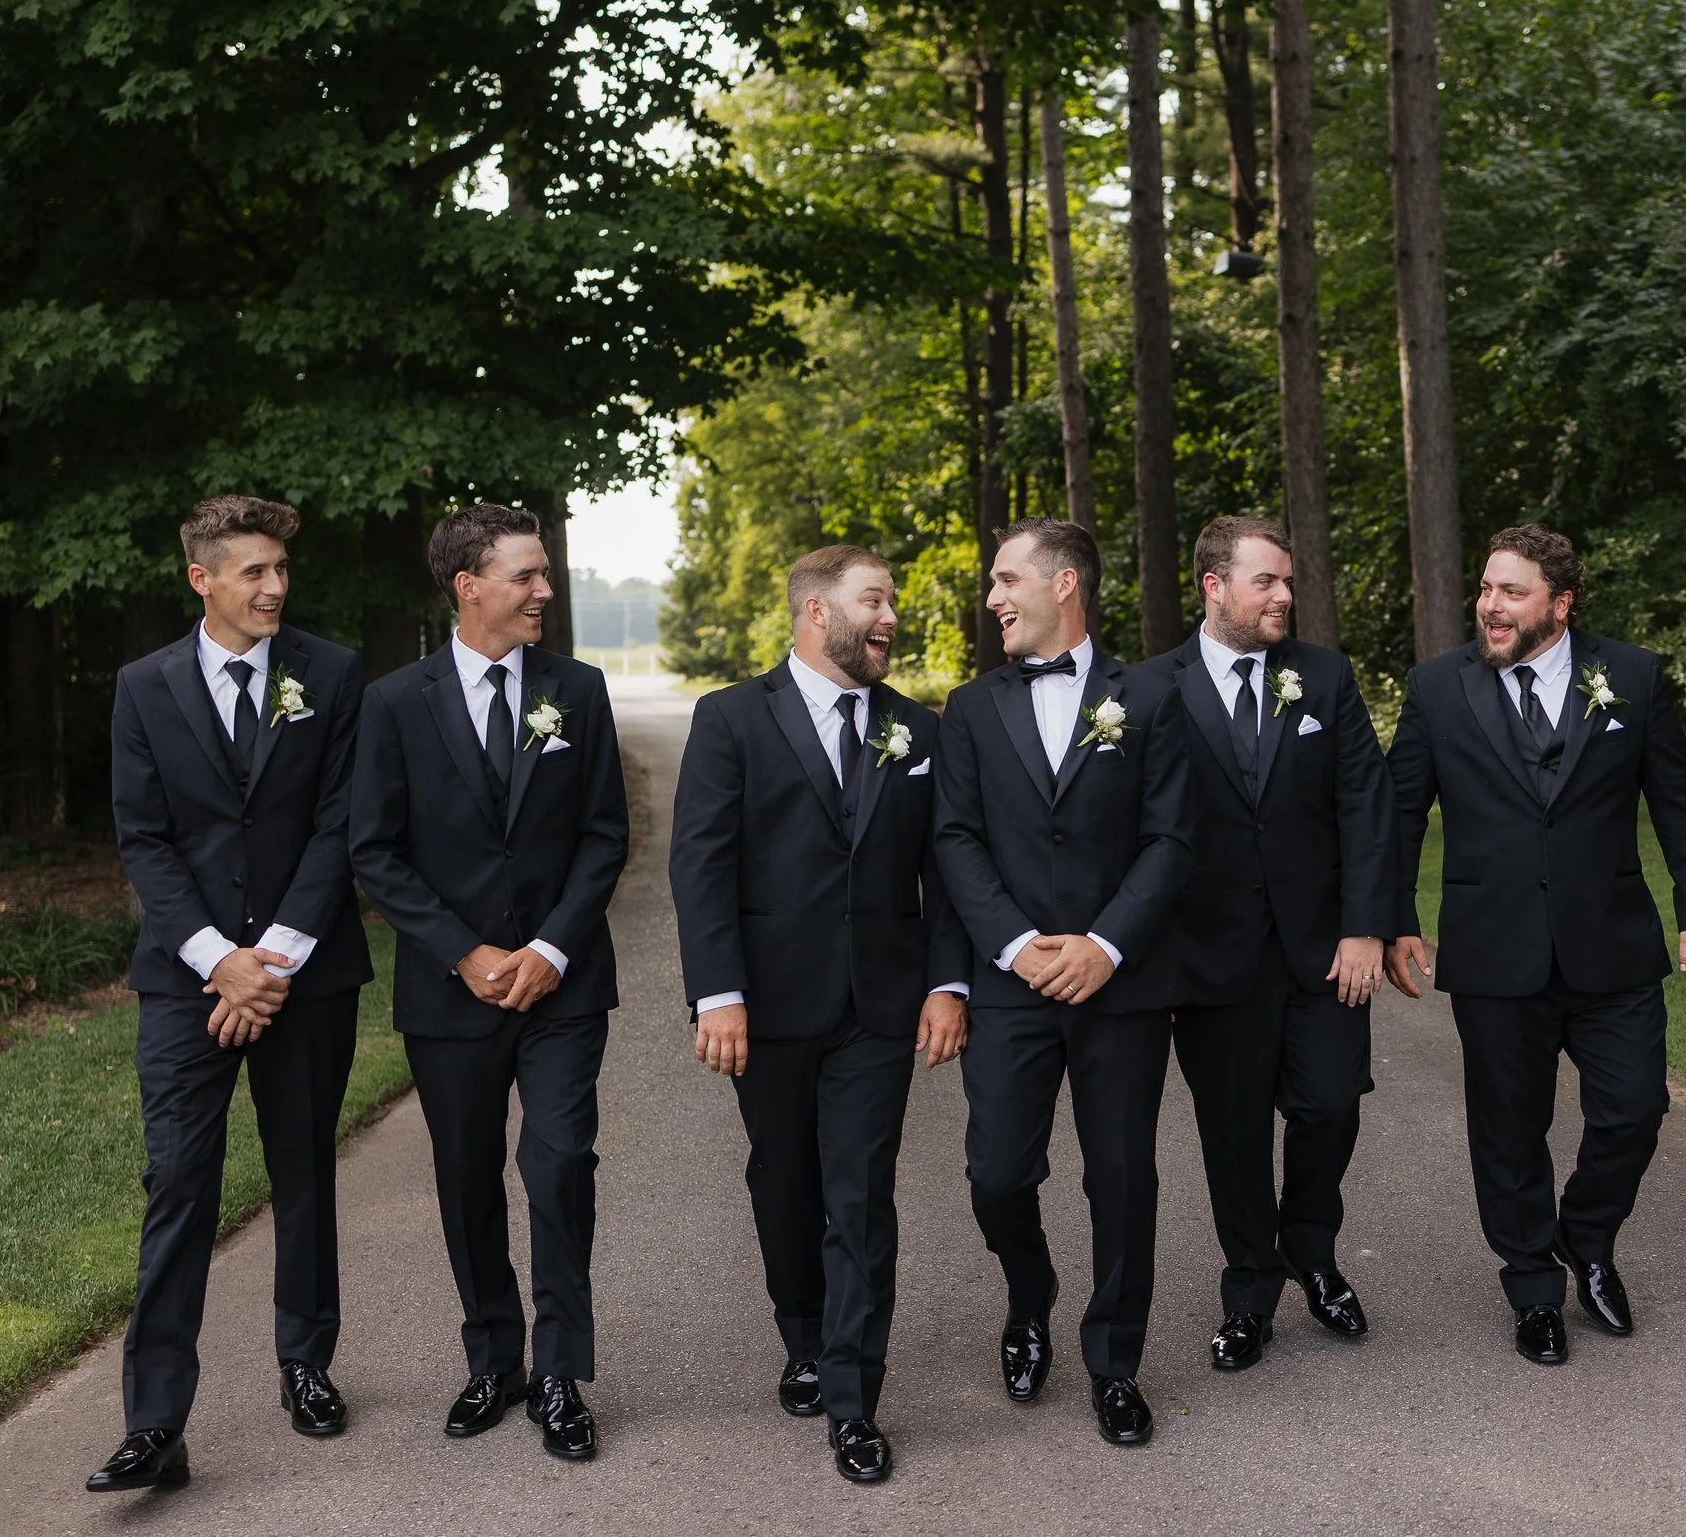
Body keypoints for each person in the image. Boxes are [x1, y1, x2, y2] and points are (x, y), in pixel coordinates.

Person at [1384, 524, 1686, 1366]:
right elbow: (1395, 815)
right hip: (1495, 946)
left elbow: (1678, 799)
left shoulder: (1632, 677)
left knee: (1635, 1106)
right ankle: (1533, 1282)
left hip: (1610, 942)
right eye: (1487, 589)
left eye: (1512, 593)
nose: (1490, 607)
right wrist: (1392, 915)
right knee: (1508, 1130)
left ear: (1561, 605)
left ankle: (1588, 1234)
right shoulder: (1437, 689)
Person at [667, 545, 972, 1485]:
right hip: (766, 1005)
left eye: (891, 602)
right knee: (782, 1178)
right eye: (873, 601)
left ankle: (853, 1397)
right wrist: (717, 992)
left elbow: (948, 868)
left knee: (859, 1193)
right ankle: (801, 1334)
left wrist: (947, 982)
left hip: (880, 1006)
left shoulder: (918, 728)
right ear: (813, 613)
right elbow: (701, 864)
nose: (890, 618)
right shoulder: (729, 719)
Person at [93, 495, 371, 1493]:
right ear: (201, 578)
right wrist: (219, 959)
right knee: (177, 1184)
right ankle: (155, 1421)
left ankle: (307, 1364)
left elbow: (342, 822)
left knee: (304, 1173)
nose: (275, 586)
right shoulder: (144, 686)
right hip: (187, 981)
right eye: (252, 570)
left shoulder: (332, 673)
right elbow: (144, 837)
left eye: (281, 569)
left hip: (307, 970)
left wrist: (275, 959)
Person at [350, 503, 629, 1461]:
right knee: (465, 1178)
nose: (544, 590)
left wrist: (550, 947)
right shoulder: (393, 704)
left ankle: (559, 1373)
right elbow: (376, 851)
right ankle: (491, 1357)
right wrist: (463, 951)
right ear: (468, 587)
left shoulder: (578, 692)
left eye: (545, 574)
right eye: (526, 576)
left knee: (558, 1165)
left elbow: (604, 836)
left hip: (564, 985)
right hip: (449, 993)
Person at [932, 518, 1192, 1447]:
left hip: (1120, 987)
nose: (994, 597)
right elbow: (954, 839)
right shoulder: (968, 707)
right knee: (996, 1173)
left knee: (1122, 1176)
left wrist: (1107, 944)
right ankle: (1029, 1288)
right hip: (1012, 985)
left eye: (1007, 579)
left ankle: (1115, 1361)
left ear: (1065, 583)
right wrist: (1013, 944)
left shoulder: (1153, 697)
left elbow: (1172, 837)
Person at [1139, 516, 1400, 1373]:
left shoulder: (1323, 677)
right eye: (1268, 581)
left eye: (1287, 581)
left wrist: (1368, 925)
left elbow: (1368, 801)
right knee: (1236, 1133)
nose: (1286, 595)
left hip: (1325, 950)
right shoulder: (1151, 689)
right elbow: (1134, 835)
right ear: (1214, 586)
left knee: (1330, 1104)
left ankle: (1311, 1252)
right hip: (1208, 962)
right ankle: (1250, 1288)